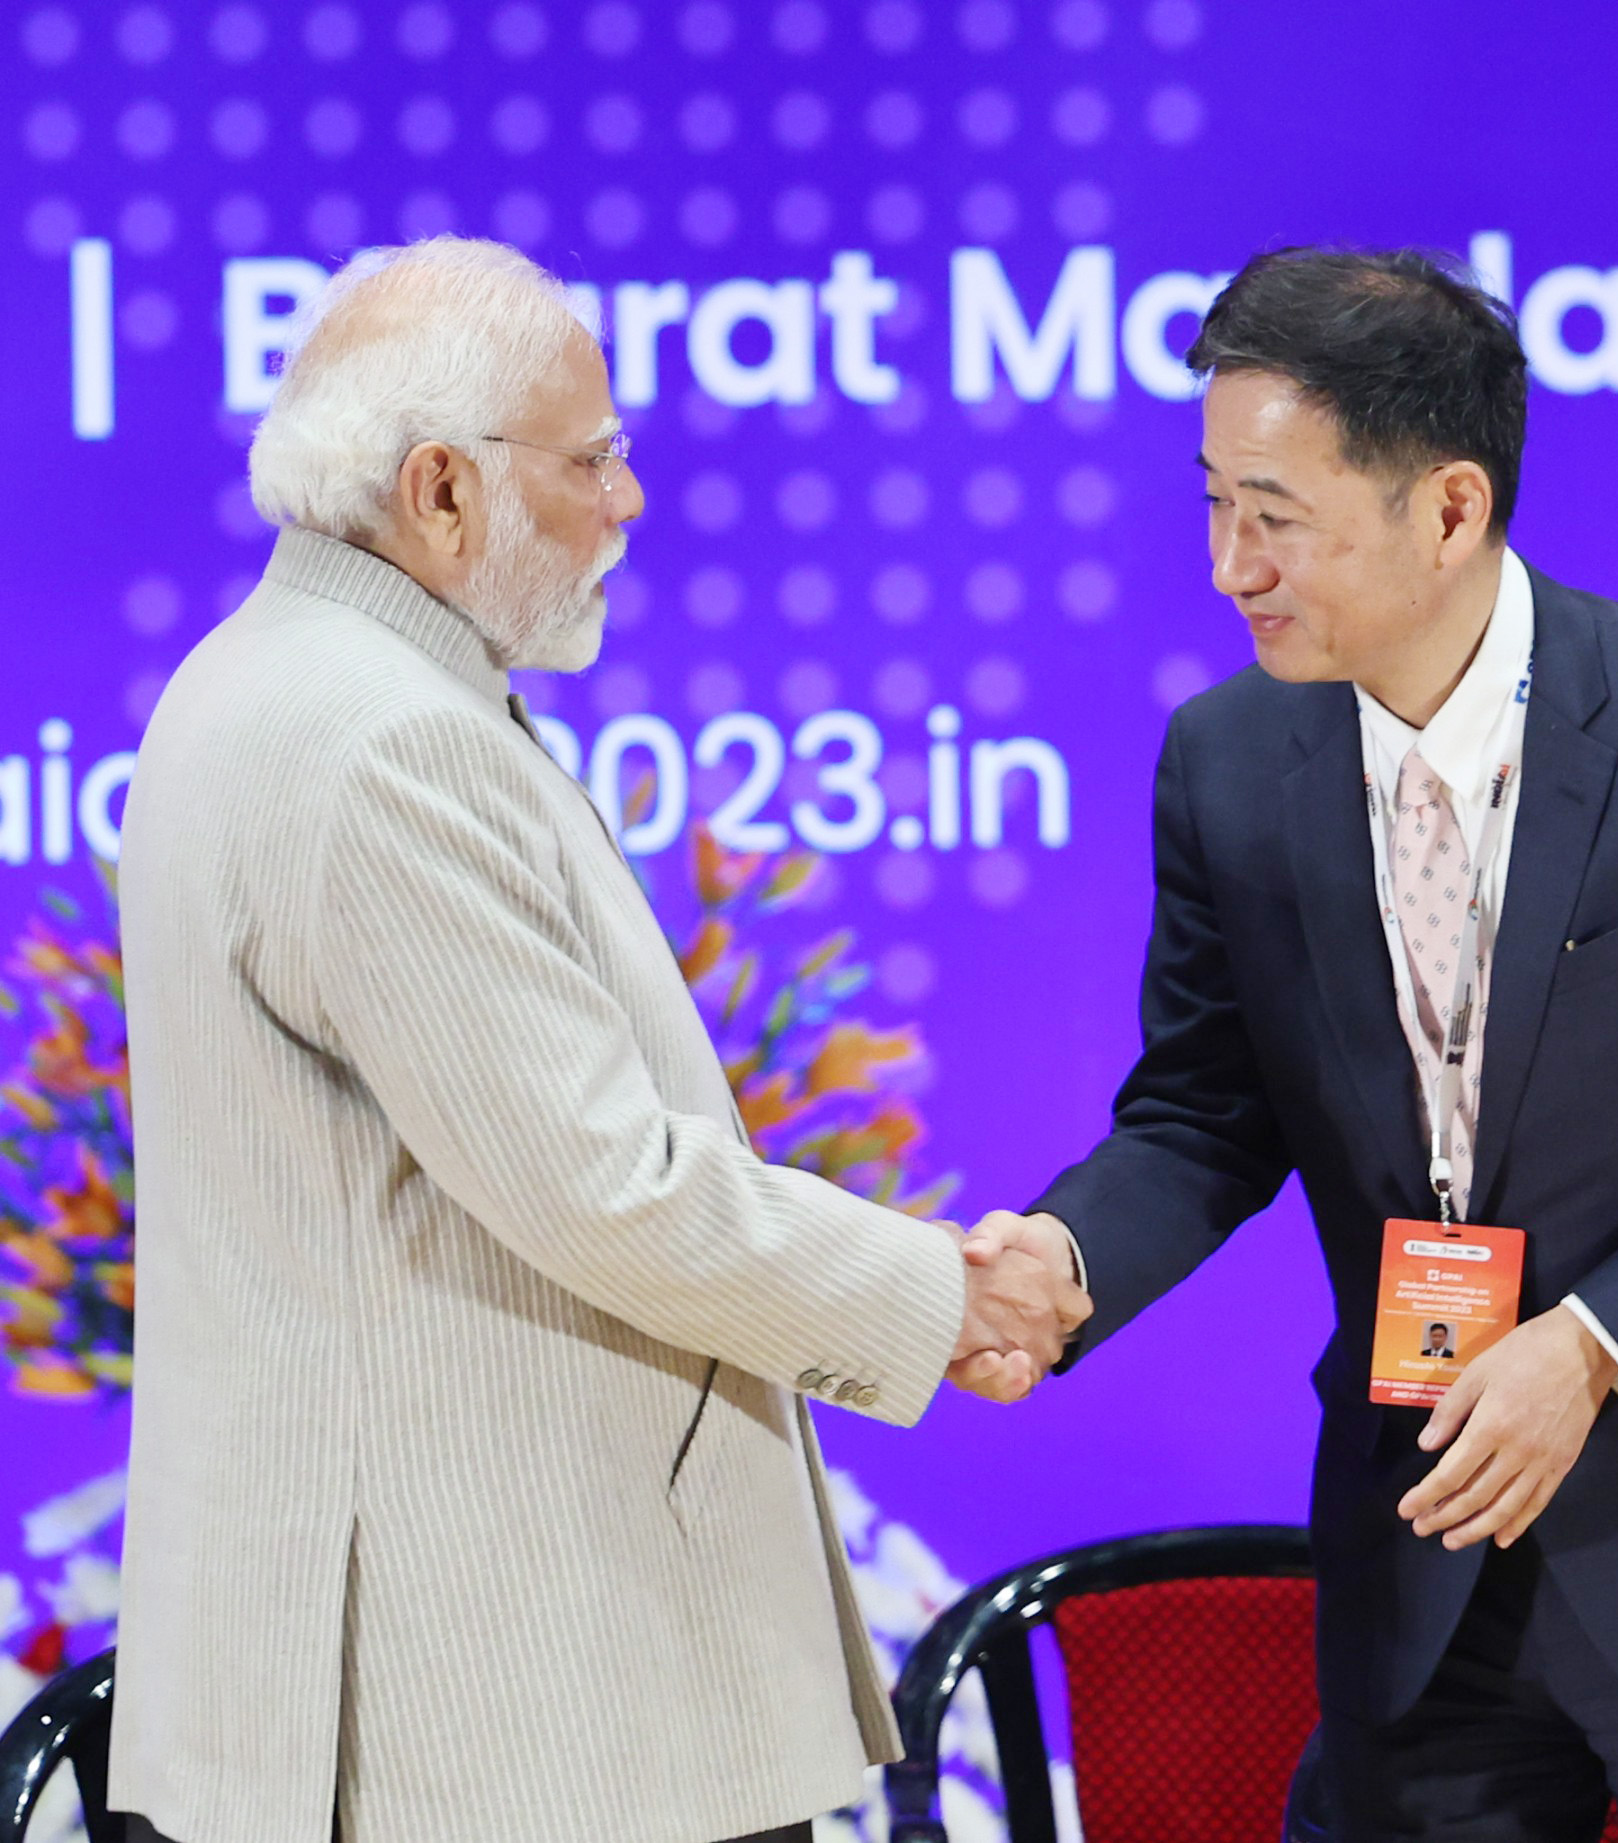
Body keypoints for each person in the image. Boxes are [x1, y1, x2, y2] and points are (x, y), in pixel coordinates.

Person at [956, 247, 1618, 1839]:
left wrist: (1592, 1343)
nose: (1226, 565)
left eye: (1272, 515)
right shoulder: (1227, 761)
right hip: (1421, 1565)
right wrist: (1066, 1262)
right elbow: (1205, 1114)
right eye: (1210, 501)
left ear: (1448, 509)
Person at [108, 237, 1087, 1843]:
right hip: (492, 1719)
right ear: (439, 488)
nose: (628, 499)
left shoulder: (284, 681)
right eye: (594, 458)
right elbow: (601, 1186)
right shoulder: (382, 742)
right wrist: (938, 1298)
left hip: (434, 1693)